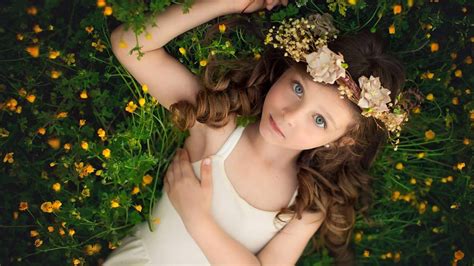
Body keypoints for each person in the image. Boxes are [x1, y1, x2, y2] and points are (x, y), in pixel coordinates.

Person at [105, 0, 411, 265]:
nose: (290, 116)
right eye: (297, 88)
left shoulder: (306, 205)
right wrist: (227, 3)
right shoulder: (215, 126)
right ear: (284, 70)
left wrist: (196, 217)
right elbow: (129, 45)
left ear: (343, 141)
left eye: (319, 121)